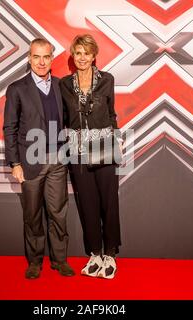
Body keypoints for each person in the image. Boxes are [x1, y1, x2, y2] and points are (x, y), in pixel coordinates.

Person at [3, 38, 75, 279]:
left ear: (52, 58)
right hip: (30, 161)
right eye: (37, 57)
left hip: (58, 160)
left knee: (58, 212)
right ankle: (34, 262)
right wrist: (14, 163)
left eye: (46, 57)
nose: (42, 62)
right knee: (32, 215)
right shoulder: (17, 89)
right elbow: (10, 128)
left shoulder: (60, 85)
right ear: (29, 58)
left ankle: (60, 260)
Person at [60, 34, 121, 279]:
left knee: (109, 203)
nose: (82, 57)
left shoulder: (107, 80)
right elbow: (64, 117)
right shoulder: (64, 84)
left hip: (104, 145)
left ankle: (110, 254)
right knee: (87, 203)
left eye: (86, 52)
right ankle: (95, 253)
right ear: (73, 56)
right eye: (78, 53)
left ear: (94, 55)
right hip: (77, 149)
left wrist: (116, 141)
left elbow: (112, 112)